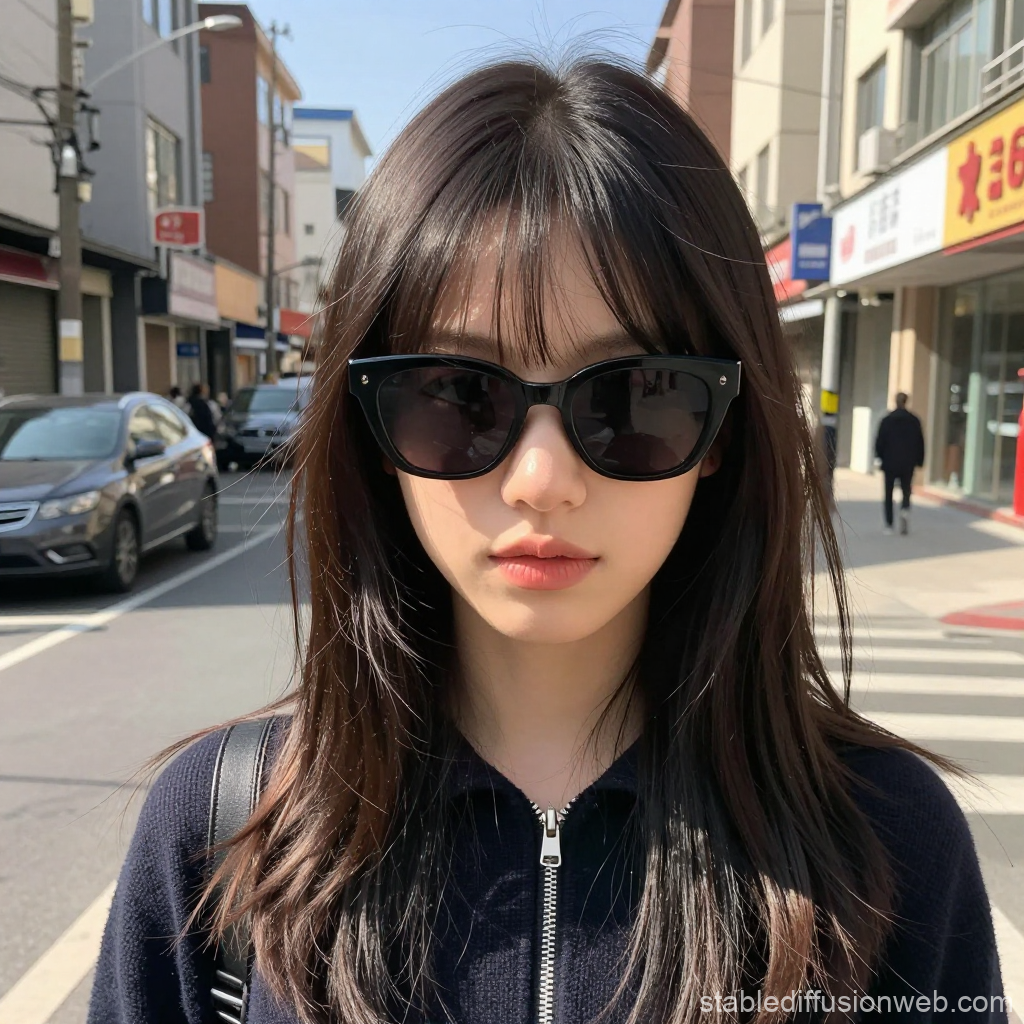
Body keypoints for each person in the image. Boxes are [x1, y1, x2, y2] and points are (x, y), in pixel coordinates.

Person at [89, 59, 1006, 1024]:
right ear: (372, 429)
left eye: (632, 395)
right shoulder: (217, 834)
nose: (541, 480)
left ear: (723, 433)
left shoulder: (887, 846)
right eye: (457, 394)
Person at [875, 392, 925, 535]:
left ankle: (889, 524)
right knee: (906, 490)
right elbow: (920, 442)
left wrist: (879, 457)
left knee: (888, 493)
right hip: (907, 462)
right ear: (906, 402)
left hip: (890, 462)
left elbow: (880, 442)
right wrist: (919, 461)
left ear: (895, 402)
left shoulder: (887, 420)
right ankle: (904, 509)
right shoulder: (914, 421)